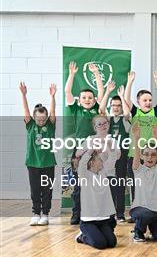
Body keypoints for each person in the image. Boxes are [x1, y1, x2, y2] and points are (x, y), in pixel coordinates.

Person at [65, 61, 105, 225]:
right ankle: (77, 213)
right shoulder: (76, 109)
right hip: (80, 150)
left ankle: (95, 213)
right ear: (79, 100)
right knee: (79, 184)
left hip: (96, 151)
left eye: (90, 97)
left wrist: (96, 74)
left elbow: (101, 93)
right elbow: (68, 91)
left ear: (94, 100)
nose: (87, 100)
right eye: (84, 98)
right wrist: (72, 74)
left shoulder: (97, 108)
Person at [123, 70, 157, 204]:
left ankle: (153, 207)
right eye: (145, 100)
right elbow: (127, 99)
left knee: (154, 183)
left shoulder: (156, 112)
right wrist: (129, 83)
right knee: (135, 184)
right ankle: (137, 208)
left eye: (150, 100)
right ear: (138, 101)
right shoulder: (135, 112)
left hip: (152, 154)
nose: (148, 102)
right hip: (135, 155)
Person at [19, 82, 57, 226]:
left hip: (48, 163)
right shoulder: (30, 125)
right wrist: (24, 95)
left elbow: (53, 112)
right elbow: (26, 110)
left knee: (47, 190)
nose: (41, 121)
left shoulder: (50, 125)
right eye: (38, 119)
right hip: (33, 163)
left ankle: (45, 213)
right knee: (35, 189)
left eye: (43, 119)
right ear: (34, 118)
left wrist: (53, 97)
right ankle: (36, 213)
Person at [129, 124, 157, 242]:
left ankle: (152, 228)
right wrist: (137, 139)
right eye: (146, 154)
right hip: (140, 210)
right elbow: (136, 153)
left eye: (153, 154)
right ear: (142, 156)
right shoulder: (138, 169)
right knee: (145, 214)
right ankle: (138, 231)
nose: (149, 157)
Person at [74, 145, 120, 249]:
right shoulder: (84, 175)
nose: (102, 161)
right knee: (100, 244)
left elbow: (112, 159)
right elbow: (82, 163)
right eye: (99, 159)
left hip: (103, 220)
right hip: (88, 221)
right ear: (91, 162)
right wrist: (91, 149)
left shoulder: (103, 172)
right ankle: (82, 236)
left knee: (112, 242)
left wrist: (109, 146)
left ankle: (96, 233)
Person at [99, 81, 131, 221]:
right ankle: (109, 212)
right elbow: (101, 110)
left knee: (120, 183)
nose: (116, 108)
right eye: (114, 106)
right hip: (108, 156)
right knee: (110, 183)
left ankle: (120, 213)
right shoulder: (108, 120)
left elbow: (127, 113)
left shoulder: (125, 120)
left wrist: (122, 97)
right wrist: (107, 92)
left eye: (118, 106)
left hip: (122, 155)